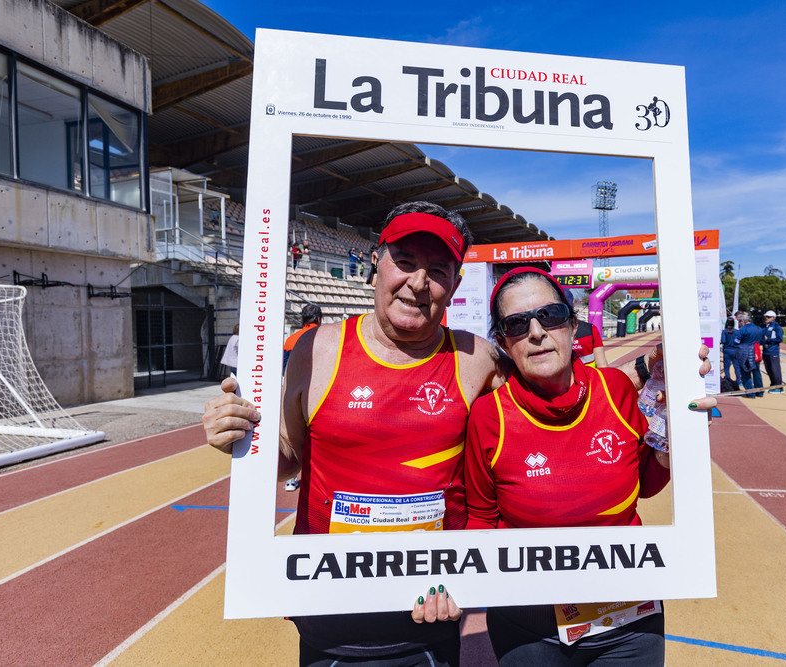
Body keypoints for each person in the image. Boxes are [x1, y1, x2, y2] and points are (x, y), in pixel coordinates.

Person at [203, 201, 505, 666]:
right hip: (330, 614)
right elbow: (286, 456)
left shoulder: (477, 359)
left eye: (438, 270)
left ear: (456, 285)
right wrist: (238, 435)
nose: (419, 283)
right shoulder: (317, 348)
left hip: (433, 612)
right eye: (404, 262)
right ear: (374, 266)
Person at [423, 267, 701, 665]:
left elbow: (643, 482)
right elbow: (481, 520)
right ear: (503, 342)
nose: (536, 332)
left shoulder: (616, 389)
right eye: (517, 324)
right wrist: (451, 585)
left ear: (573, 326)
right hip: (527, 624)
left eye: (550, 316)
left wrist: (677, 431)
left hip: (627, 619)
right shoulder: (489, 417)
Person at [283, 304, 322, 372]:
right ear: (318, 319)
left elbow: (284, 367)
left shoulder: (290, 339)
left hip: (294, 380)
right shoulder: (324, 337)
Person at [733, 312, 763, 397]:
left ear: (743, 321)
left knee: (745, 372)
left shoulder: (743, 329)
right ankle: (760, 392)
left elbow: (736, 341)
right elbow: (762, 341)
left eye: (739, 321)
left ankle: (750, 393)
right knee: (757, 372)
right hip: (756, 351)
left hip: (745, 352)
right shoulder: (758, 328)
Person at [761, 310, 784, 393]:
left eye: (769, 317)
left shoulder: (777, 327)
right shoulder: (764, 326)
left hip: (773, 351)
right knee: (769, 369)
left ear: (774, 318)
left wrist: (769, 339)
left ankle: (779, 386)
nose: (766, 318)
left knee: (775, 369)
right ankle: (773, 384)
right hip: (766, 350)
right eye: (766, 316)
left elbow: (779, 339)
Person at [720, 317, 738, 384]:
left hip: (727, 350)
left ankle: (728, 381)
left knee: (726, 368)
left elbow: (723, 341)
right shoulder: (737, 331)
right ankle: (738, 381)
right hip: (735, 350)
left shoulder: (724, 331)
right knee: (737, 367)